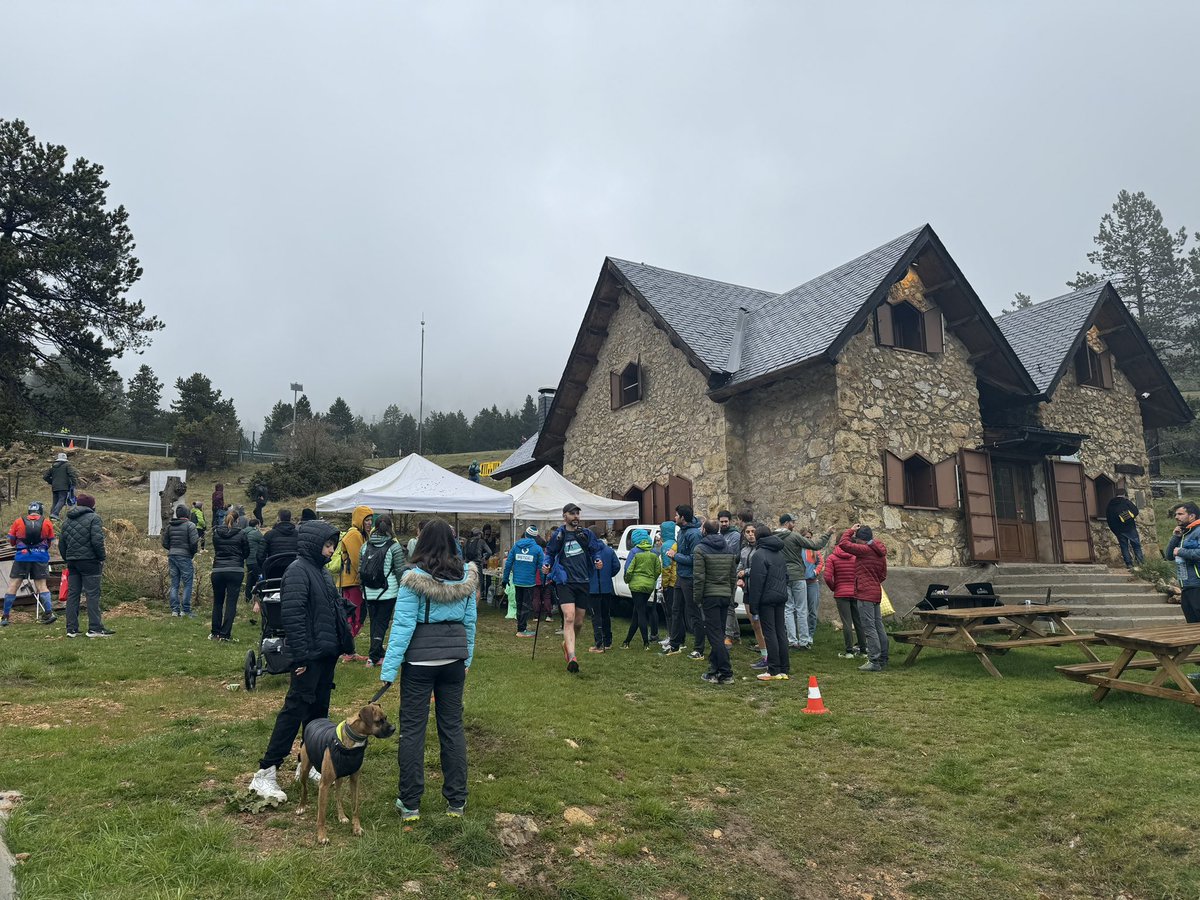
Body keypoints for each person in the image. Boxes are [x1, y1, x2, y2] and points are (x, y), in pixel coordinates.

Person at [379, 518, 477, 821]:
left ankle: (410, 804)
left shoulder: (412, 579)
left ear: (421, 542)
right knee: (452, 728)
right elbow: (470, 623)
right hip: (453, 661)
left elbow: (404, 626)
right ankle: (456, 803)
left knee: (413, 731)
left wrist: (389, 669)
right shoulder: (466, 579)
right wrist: (467, 659)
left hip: (419, 662)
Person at [249, 519, 346, 803]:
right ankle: (266, 771)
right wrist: (300, 657)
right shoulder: (297, 571)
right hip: (309, 656)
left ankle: (310, 762)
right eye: (327, 545)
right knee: (294, 711)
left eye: (332, 545)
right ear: (314, 544)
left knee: (319, 712)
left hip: (326, 654)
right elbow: (294, 618)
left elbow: (323, 610)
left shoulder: (322, 573)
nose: (330, 551)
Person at [542, 503, 603, 673]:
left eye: (577, 513)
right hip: (565, 581)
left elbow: (594, 550)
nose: (576, 516)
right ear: (564, 516)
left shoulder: (586, 534)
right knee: (569, 617)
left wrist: (598, 560)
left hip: (583, 581)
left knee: (579, 622)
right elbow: (550, 552)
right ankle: (572, 656)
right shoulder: (559, 535)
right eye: (572, 513)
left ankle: (566, 644)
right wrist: (546, 564)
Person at [58, 493, 112, 637]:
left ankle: (71, 629)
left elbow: (61, 544)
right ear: (91, 505)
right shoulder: (94, 518)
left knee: (73, 595)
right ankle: (94, 628)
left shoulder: (67, 520)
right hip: (90, 561)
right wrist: (101, 557)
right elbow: (97, 541)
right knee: (92, 594)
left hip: (72, 562)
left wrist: (67, 558)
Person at [838, 525, 889, 672]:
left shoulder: (864, 550)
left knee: (869, 627)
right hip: (875, 592)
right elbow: (883, 575)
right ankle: (883, 658)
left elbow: (843, 544)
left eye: (857, 539)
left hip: (865, 593)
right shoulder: (880, 553)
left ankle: (874, 660)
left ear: (861, 540)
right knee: (879, 626)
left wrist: (850, 530)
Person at [779, 515, 834, 650]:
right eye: (793, 522)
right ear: (787, 523)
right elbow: (815, 545)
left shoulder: (774, 538)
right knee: (801, 608)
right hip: (798, 576)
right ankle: (804, 641)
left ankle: (792, 640)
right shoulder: (794, 536)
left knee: (788, 609)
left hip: (784, 576)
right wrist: (827, 533)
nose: (794, 524)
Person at [693, 519, 737, 684]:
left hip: (709, 596)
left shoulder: (700, 549)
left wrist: (697, 598)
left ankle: (726, 672)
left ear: (704, 530)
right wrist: (730, 593)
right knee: (718, 633)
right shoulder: (728, 548)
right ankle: (714, 670)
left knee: (714, 636)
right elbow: (733, 575)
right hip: (725, 595)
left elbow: (699, 577)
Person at [746, 522, 790, 681]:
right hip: (780, 595)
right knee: (780, 632)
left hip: (766, 598)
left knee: (769, 633)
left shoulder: (759, 554)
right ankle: (784, 668)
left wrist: (754, 605)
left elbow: (757, 582)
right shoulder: (779, 553)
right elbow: (786, 576)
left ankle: (773, 669)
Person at [360, 514, 406, 667]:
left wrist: (362, 588)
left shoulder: (365, 546)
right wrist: (403, 588)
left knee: (374, 622)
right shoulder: (394, 546)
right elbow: (399, 570)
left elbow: (361, 569)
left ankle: (378, 652)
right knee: (382, 623)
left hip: (368, 591)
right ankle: (373, 657)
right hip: (388, 591)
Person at [4, 502, 57, 627]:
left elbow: (11, 541)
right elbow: (50, 541)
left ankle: (5, 616)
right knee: (42, 586)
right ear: (41, 511)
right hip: (40, 556)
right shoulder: (47, 522)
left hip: (22, 556)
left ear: (29, 511)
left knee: (13, 585)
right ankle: (49, 613)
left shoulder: (18, 521)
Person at [664, 505, 702, 658]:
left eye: (676, 515)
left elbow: (695, 559)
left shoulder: (694, 534)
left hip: (690, 577)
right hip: (680, 576)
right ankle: (675, 644)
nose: (674, 518)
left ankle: (699, 648)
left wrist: (675, 556)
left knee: (693, 613)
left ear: (683, 518)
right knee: (676, 609)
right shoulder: (681, 531)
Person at [334, 507, 373, 648]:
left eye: (370, 520)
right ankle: (346, 649)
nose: (369, 523)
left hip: (355, 581)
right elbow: (358, 560)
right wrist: (366, 578)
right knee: (354, 616)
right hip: (353, 582)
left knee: (356, 616)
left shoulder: (362, 534)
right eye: (366, 520)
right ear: (359, 520)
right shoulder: (354, 535)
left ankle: (348, 649)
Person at [824, 533, 867, 659]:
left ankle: (849, 651)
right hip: (855, 592)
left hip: (841, 593)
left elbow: (827, 577)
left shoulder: (832, 557)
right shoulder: (856, 556)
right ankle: (863, 650)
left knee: (846, 622)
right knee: (858, 621)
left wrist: (834, 587)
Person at [210, 510, 249, 641]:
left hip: (218, 569)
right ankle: (225, 634)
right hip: (235, 569)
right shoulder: (241, 533)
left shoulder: (216, 533)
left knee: (218, 602)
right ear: (238, 520)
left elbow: (217, 549)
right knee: (231, 603)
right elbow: (246, 551)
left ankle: (215, 632)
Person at [736, 524, 770, 671]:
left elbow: (761, 568)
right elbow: (739, 568)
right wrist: (740, 577)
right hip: (748, 591)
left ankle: (772, 655)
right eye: (747, 532)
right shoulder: (743, 550)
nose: (750, 534)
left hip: (762, 591)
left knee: (765, 624)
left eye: (753, 532)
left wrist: (746, 572)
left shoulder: (762, 550)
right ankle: (764, 655)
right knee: (754, 624)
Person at [621, 528, 662, 649]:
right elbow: (657, 570)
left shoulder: (634, 552)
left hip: (636, 586)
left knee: (640, 613)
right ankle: (627, 641)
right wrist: (651, 580)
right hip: (649, 586)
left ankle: (646, 643)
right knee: (637, 612)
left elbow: (628, 569)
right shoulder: (654, 552)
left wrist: (627, 580)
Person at [502, 525, 544, 637]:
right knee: (526, 605)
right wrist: (544, 582)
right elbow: (541, 567)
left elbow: (508, 563)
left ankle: (520, 628)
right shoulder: (538, 549)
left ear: (525, 534)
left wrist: (505, 578)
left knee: (519, 604)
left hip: (517, 581)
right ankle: (522, 630)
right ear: (535, 537)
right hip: (529, 582)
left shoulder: (516, 546)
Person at [162, 504, 200, 617]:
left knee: (174, 583)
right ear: (187, 514)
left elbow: (164, 542)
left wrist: (173, 549)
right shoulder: (190, 525)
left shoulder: (170, 526)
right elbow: (194, 542)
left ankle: (175, 610)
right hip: (185, 556)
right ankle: (186, 610)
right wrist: (191, 553)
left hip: (172, 555)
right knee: (187, 583)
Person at [587, 529, 619, 653]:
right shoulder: (609, 551)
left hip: (593, 588)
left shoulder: (589, 552)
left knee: (596, 616)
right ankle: (608, 641)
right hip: (606, 587)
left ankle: (599, 644)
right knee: (606, 615)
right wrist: (608, 575)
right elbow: (616, 566)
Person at [1169, 502, 1200, 624]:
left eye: (1180, 514)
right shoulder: (1184, 533)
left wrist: (1181, 551)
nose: (1176, 517)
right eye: (1176, 514)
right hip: (1186, 584)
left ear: (1192, 516)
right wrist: (1175, 537)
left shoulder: (1198, 531)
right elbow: (1169, 556)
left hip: (1197, 584)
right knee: (1192, 624)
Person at [717, 510, 742, 646]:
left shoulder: (735, 535)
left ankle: (728, 635)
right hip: (721, 573)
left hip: (731, 573)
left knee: (729, 605)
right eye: (722, 522)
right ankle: (736, 634)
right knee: (728, 604)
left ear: (730, 521)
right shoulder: (718, 533)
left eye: (726, 521)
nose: (724, 524)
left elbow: (733, 555)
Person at [1105, 489, 1144, 569]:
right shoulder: (1126, 502)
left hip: (1119, 530)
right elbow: (1136, 511)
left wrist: (1115, 531)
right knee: (1136, 546)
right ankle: (1141, 564)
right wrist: (1127, 518)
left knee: (1124, 547)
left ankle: (1129, 564)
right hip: (1130, 528)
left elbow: (1109, 519)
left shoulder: (1110, 505)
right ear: (1124, 494)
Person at [655, 520, 677, 644]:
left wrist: (664, 585)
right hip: (677, 581)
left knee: (669, 612)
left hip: (670, 584)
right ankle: (675, 636)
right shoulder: (675, 543)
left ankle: (672, 637)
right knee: (675, 612)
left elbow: (666, 567)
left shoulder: (665, 546)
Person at [42, 452, 78, 519]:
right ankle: (55, 514)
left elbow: (45, 477)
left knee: (55, 502)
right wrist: (74, 483)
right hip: (64, 487)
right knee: (62, 500)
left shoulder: (53, 466)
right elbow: (72, 475)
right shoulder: (67, 465)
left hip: (55, 487)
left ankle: (52, 516)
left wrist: (52, 482)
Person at [244, 517, 266, 605]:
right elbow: (263, 542)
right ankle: (261, 598)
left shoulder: (244, 532)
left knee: (250, 579)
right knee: (260, 579)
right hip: (255, 560)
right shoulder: (256, 532)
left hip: (248, 560)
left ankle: (247, 597)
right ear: (257, 525)